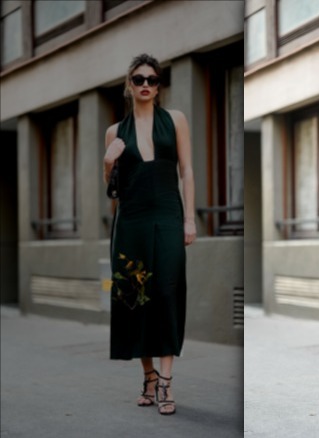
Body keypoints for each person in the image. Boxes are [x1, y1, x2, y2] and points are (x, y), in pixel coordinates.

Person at [103, 54, 196, 415]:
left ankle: (167, 382)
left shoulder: (175, 120)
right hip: (131, 222)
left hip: (169, 216)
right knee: (135, 297)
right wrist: (108, 161)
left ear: (158, 86)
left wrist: (189, 219)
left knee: (167, 293)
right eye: (139, 79)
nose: (145, 85)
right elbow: (112, 189)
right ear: (129, 85)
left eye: (152, 80)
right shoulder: (114, 131)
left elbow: (187, 171)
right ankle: (149, 377)